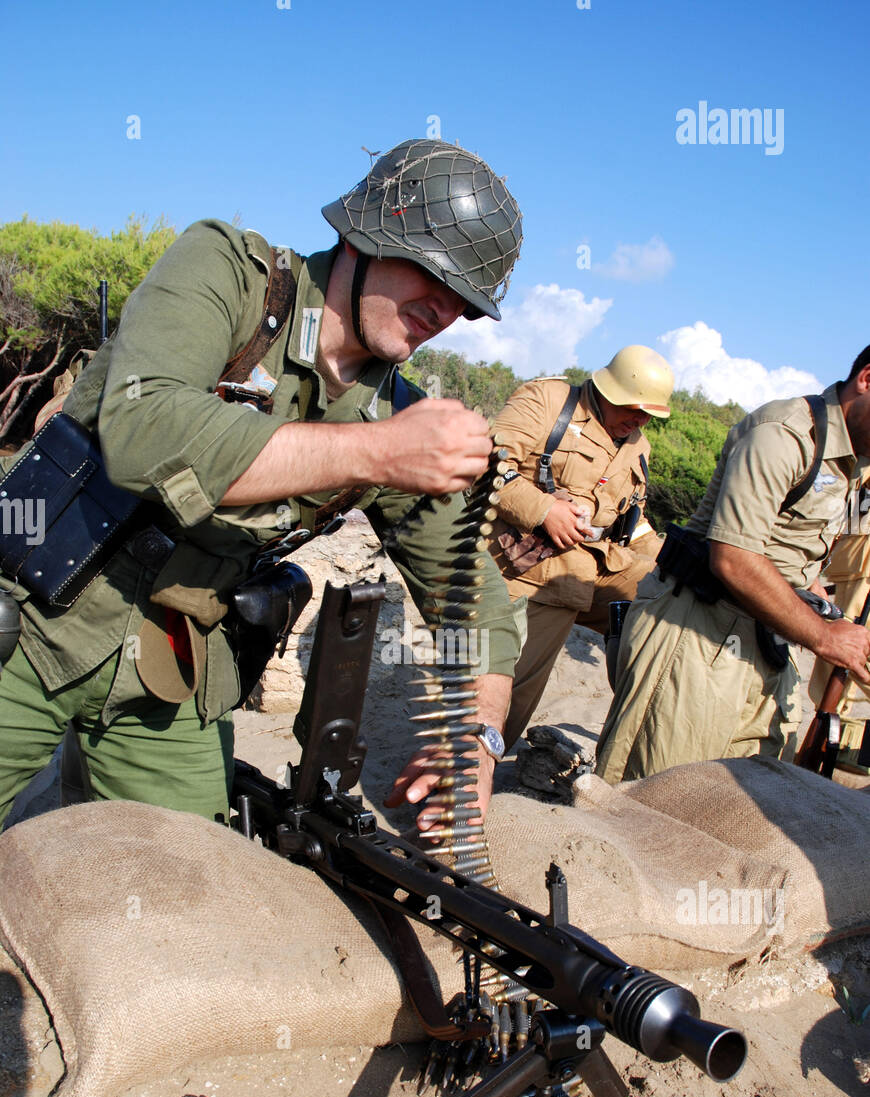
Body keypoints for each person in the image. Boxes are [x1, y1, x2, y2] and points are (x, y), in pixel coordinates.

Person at [0, 139, 523, 829]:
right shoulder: (228, 273)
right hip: (28, 627)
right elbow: (143, 428)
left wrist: (479, 734)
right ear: (367, 235)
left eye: (467, 301)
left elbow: (471, 595)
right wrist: (376, 453)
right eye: (432, 272)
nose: (446, 309)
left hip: (165, 677)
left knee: (188, 899)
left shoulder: (395, 415)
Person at [596, 347, 870, 783]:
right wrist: (824, 636)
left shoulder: (856, 462)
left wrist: (815, 596)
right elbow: (734, 559)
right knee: (655, 799)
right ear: (867, 380)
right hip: (698, 635)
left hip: (769, 642)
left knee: (733, 803)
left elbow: (797, 547)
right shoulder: (784, 433)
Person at [486, 346, 674, 750]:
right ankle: (467, 775)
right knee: (508, 693)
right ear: (609, 390)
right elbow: (484, 465)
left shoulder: (637, 446)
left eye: (649, 415)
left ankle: (632, 747)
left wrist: (671, 562)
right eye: (634, 409)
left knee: (672, 608)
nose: (640, 420)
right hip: (529, 568)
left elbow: (633, 521)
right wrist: (544, 509)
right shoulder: (548, 401)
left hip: (597, 564)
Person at [806, 471, 870, 774]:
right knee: (845, 654)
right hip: (856, 569)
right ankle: (834, 737)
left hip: (856, 566)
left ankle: (850, 740)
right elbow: (850, 513)